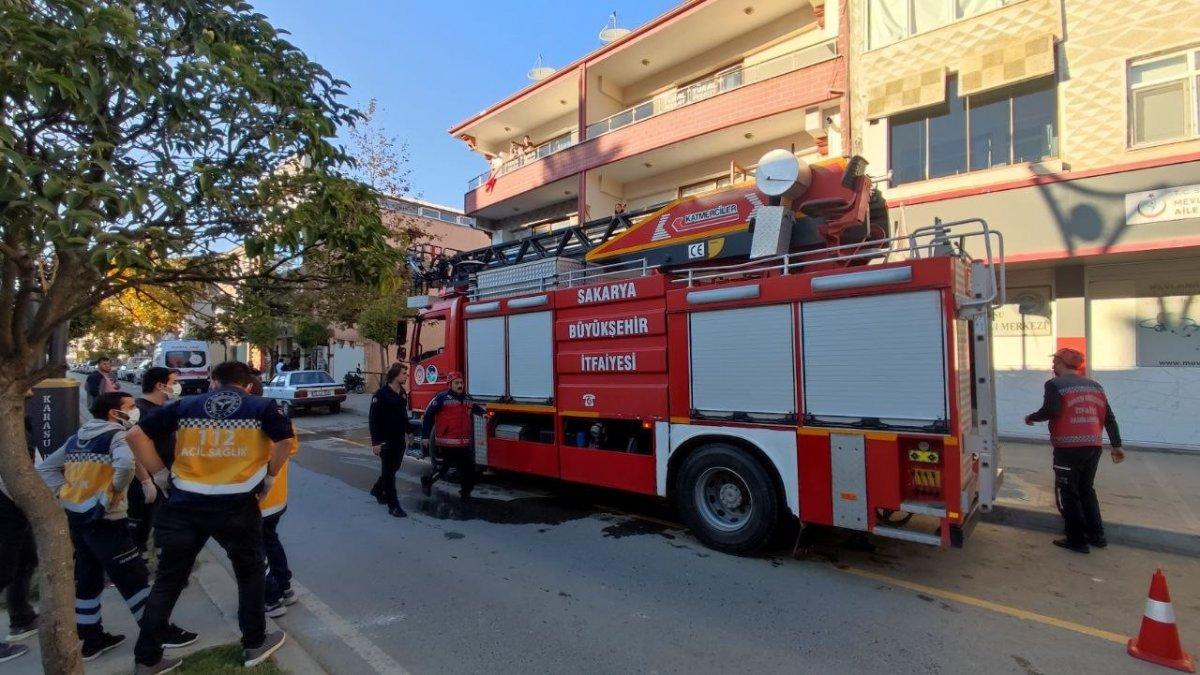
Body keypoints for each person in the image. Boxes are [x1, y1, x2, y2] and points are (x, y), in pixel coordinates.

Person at [128, 361, 291, 673]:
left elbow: (135, 435)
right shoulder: (261, 406)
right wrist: (270, 476)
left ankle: (146, 659)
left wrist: (160, 475)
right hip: (236, 505)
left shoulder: (185, 405)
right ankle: (255, 643)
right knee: (249, 573)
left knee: (168, 581)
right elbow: (284, 440)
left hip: (184, 503)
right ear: (246, 385)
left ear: (214, 382)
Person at [36, 392, 197, 662]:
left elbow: (47, 469)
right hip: (107, 520)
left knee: (88, 579)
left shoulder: (77, 438)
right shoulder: (117, 435)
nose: (135, 411)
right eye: (130, 407)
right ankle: (159, 632)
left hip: (78, 517)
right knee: (133, 577)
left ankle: (90, 638)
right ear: (114, 413)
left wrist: (66, 494)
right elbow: (124, 463)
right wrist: (111, 493)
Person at [1025, 348, 1125, 554]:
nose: (1053, 366)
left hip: (1068, 449)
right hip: (1093, 447)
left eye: (1055, 362)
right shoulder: (1095, 386)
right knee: (1086, 490)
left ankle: (1077, 540)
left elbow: (1052, 410)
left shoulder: (1055, 385)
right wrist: (1116, 445)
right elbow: (1109, 417)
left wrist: (1031, 417)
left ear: (1061, 363)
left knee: (1068, 493)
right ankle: (1097, 536)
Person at [250, 376, 300, 618]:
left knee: (256, 549)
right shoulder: (278, 415)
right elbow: (291, 446)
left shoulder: (249, 419)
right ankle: (285, 587)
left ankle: (271, 597)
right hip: (277, 497)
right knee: (270, 541)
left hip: (259, 500)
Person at [0, 391, 40, 664]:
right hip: (6, 501)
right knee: (2, 568)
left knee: (25, 560)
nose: (32, 389)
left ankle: (21, 617)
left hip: (17, 503)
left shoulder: (18, 418)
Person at [127, 367, 181, 558]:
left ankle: (159, 562)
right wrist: (146, 481)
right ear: (161, 385)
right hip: (146, 481)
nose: (177, 387)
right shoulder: (141, 411)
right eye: (174, 383)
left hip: (163, 480)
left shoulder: (164, 410)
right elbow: (130, 449)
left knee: (162, 529)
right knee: (140, 530)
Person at [420, 371, 484, 502]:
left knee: (468, 469)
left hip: (463, 443)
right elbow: (428, 416)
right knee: (444, 468)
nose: (460, 385)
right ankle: (427, 482)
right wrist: (425, 436)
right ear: (450, 384)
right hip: (447, 443)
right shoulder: (442, 398)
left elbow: (476, 408)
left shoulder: (467, 399)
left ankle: (465, 494)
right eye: (457, 383)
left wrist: (485, 414)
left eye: (461, 382)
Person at [369, 363, 411, 518]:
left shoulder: (403, 393)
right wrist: (376, 443)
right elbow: (373, 420)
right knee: (389, 472)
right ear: (395, 375)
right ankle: (393, 505)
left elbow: (403, 415)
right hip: (385, 440)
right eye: (404, 373)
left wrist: (409, 431)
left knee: (394, 468)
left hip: (399, 439)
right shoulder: (381, 394)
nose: (406, 376)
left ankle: (378, 489)